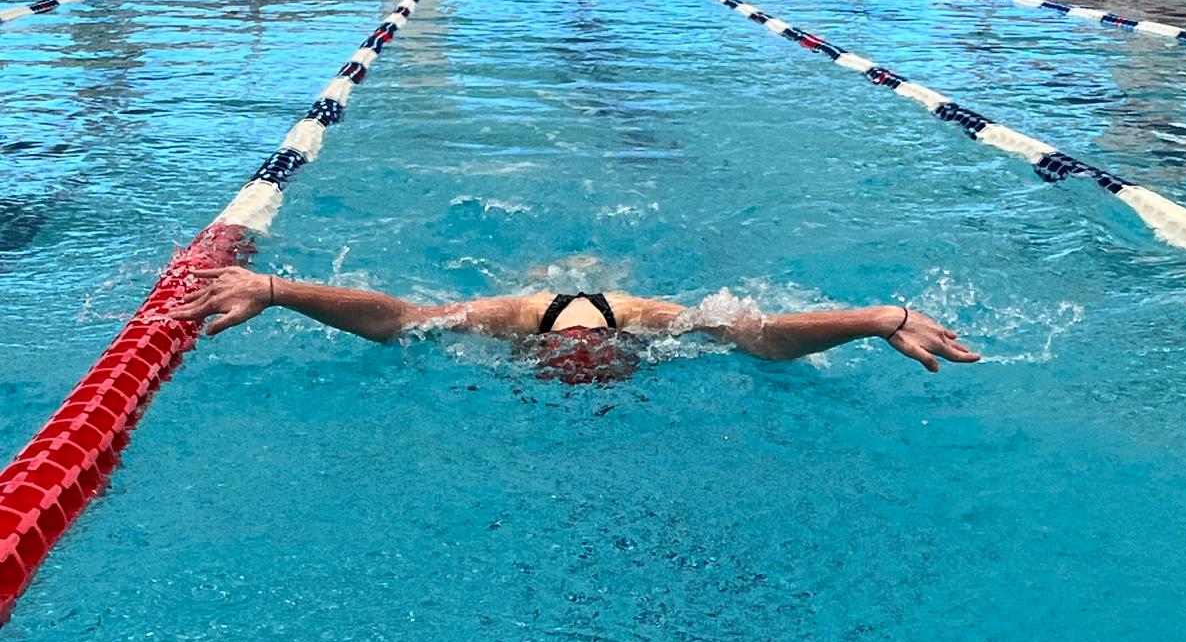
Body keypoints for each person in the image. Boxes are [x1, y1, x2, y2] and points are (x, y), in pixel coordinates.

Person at [170, 261, 980, 382]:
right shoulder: (512, 317)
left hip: (605, 303)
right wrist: (274, 288)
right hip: (538, 296)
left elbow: (763, 336)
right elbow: (400, 320)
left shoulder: (652, 322)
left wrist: (882, 317)